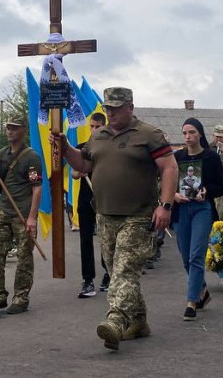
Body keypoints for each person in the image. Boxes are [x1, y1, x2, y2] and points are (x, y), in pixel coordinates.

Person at [58, 87, 177, 351]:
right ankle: (139, 322)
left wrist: (165, 206)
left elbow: (169, 167)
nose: (110, 113)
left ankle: (116, 321)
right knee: (118, 271)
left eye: (115, 108)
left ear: (130, 107)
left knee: (124, 271)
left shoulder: (149, 134)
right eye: (107, 108)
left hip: (138, 216)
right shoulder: (98, 136)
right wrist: (65, 148)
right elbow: (84, 165)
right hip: (105, 215)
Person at [0, 118, 42, 315]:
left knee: (24, 256)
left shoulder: (31, 157)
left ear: (24, 130)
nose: (10, 131)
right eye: (8, 127)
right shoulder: (2, 153)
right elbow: (0, 181)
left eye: (14, 128)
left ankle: (21, 298)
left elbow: (37, 188)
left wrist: (32, 218)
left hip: (22, 214)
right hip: (3, 210)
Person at [172, 118, 223, 320]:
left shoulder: (210, 157)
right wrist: (174, 195)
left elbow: (221, 186)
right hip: (181, 209)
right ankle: (202, 289)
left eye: (192, 132)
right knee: (186, 258)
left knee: (196, 256)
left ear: (200, 134)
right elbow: (166, 182)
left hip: (202, 209)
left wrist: (206, 191)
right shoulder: (177, 157)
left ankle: (191, 302)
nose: (188, 136)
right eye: (185, 132)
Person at [71, 112, 110, 298]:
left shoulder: (109, 149)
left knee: (106, 239)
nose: (94, 129)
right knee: (85, 239)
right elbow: (73, 172)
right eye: (92, 126)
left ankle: (108, 274)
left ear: (104, 126)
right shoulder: (82, 148)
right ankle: (88, 280)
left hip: (104, 200)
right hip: (85, 201)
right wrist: (78, 173)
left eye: (98, 126)